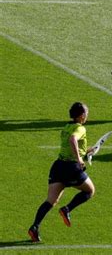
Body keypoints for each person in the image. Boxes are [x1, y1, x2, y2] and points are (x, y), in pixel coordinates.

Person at [28, 102, 96, 242]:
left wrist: (88, 150)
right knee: (89, 191)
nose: (87, 115)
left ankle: (34, 227)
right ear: (82, 115)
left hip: (58, 166)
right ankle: (67, 209)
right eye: (86, 113)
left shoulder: (66, 127)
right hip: (71, 168)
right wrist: (79, 159)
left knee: (51, 201)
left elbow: (70, 145)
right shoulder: (80, 128)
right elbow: (73, 140)